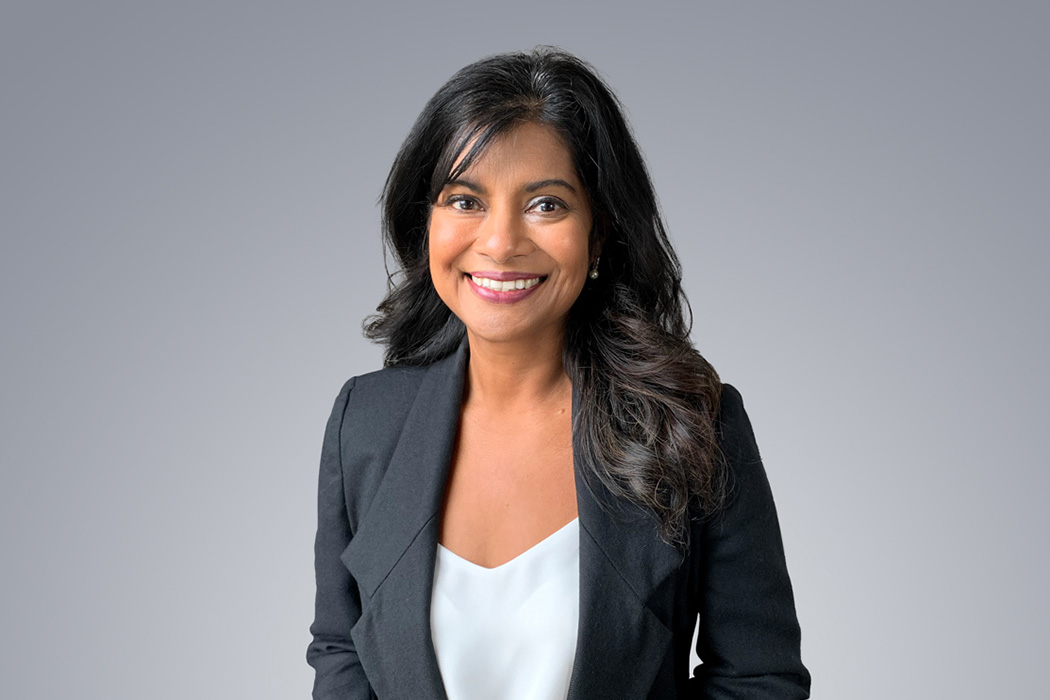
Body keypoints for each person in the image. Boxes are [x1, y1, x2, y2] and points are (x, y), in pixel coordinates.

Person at [307, 47, 810, 700]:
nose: (499, 241)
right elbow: (341, 650)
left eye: (545, 204)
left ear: (599, 234)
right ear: (424, 220)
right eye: (465, 200)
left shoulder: (693, 426)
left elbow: (758, 681)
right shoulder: (364, 425)